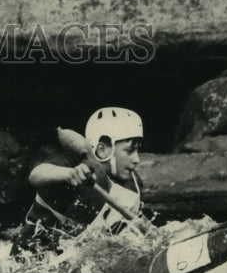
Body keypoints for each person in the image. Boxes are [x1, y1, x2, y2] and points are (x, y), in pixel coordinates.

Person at [8, 107, 147, 265]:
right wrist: (68, 174)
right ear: (102, 150)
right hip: (27, 264)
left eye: (137, 151)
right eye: (129, 151)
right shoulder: (76, 164)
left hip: (79, 267)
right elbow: (36, 174)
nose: (137, 159)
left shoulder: (132, 183)